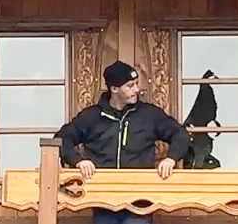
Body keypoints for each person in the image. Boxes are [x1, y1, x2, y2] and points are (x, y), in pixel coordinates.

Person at [55, 60, 190, 224]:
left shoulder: (149, 115)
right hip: (103, 202)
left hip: (140, 203)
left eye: (136, 84)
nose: (137, 90)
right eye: (130, 85)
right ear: (114, 89)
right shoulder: (91, 117)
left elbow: (180, 134)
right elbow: (62, 139)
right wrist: (78, 161)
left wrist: (171, 158)